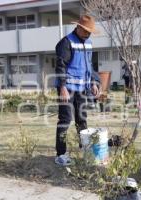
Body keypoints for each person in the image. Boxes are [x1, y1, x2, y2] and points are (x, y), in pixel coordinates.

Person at [55, 15, 100, 166]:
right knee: (65, 121)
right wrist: (62, 88)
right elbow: (60, 66)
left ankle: (85, 149)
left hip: (82, 89)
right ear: (79, 27)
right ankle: (60, 154)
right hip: (67, 89)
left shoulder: (89, 43)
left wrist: (94, 83)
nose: (88, 34)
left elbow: (90, 66)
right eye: (86, 31)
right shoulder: (66, 42)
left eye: (90, 32)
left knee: (82, 120)